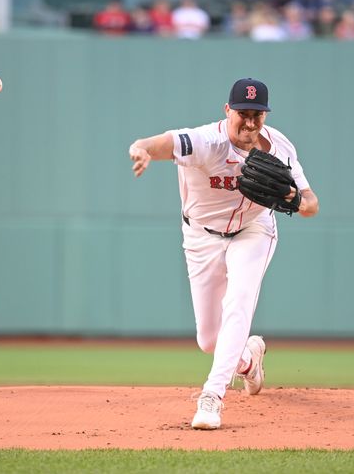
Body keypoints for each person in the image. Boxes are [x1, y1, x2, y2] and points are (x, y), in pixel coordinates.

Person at [128, 78, 319, 430]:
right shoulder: (206, 142)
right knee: (209, 340)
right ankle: (248, 360)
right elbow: (164, 143)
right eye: (243, 113)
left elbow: (311, 204)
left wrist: (294, 201)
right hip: (202, 235)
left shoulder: (279, 147)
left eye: (257, 115)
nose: (250, 122)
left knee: (238, 304)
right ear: (227, 110)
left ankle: (212, 396)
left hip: (253, 230)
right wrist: (141, 148)